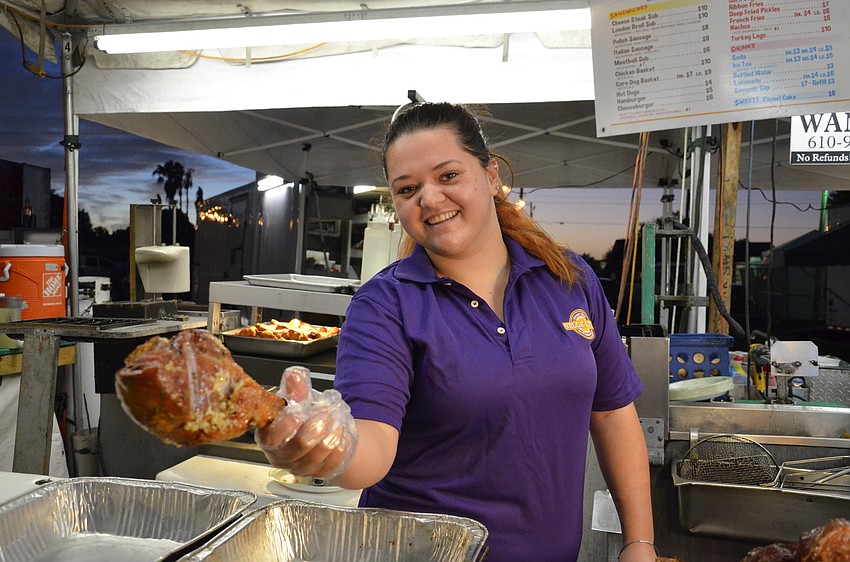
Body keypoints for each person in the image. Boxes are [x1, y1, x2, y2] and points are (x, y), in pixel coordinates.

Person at [256, 102, 656, 562]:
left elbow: (613, 414)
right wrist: (331, 449)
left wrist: (639, 541)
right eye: (408, 188)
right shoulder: (385, 306)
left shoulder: (569, 278)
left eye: (447, 176)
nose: (428, 198)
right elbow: (373, 445)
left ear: (490, 176)